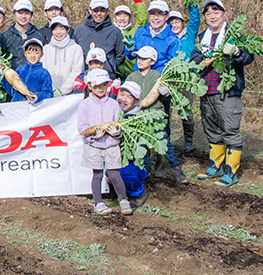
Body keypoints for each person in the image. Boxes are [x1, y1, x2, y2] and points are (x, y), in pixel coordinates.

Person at [191, 0, 255, 187]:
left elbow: (249, 56)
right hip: (206, 89)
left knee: (230, 130)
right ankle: (215, 165)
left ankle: (231, 172)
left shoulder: (234, 35)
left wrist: (235, 52)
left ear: (224, 14)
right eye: (208, 13)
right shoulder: (203, 36)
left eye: (216, 11)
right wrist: (204, 57)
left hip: (227, 92)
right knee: (211, 129)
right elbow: (195, 57)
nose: (212, 15)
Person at [125, 46, 188, 183]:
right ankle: (146, 172)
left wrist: (166, 93)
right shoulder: (132, 77)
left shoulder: (157, 76)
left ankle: (176, 170)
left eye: (143, 58)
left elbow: (166, 99)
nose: (139, 61)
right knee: (141, 145)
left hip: (155, 116)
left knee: (164, 143)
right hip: (138, 116)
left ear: (152, 61)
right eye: (138, 58)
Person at [77, 68, 132, 216]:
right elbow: (82, 128)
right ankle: (98, 203)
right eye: (96, 86)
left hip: (111, 145)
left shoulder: (113, 104)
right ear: (90, 86)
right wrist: (92, 136)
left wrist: (117, 133)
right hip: (93, 146)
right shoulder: (85, 105)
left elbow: (119, 124)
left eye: (104, 85)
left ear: (108, 85)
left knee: (114, 174)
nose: (100, 89)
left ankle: (123, 200)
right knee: (97, 175)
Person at [168, 6, 201, 153]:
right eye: (171, 22)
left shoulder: (189, 35)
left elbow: (195, 19)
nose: (174, 25)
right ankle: (166, 141)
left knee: (186, 111)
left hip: (186, 78)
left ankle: (188, 142)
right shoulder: (167, 37)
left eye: (177, 22)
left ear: (182, 23)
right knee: (165, 111)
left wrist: (191, 2)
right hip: (169, 78)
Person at [115, 81, 150, 207]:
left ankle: (138, 192)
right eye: (122, 94)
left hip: (134, 162)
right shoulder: (111, 111)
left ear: (136, 101)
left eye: (129, 97)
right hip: (111, 157)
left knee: (124, 172)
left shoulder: (139, 119)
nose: (123, 99)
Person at [74, 0, 126, 79]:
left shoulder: (115, 31)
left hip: (108, 77)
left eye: (102, 10)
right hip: (85, 77)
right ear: (90, 10)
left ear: (108, 12)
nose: (98, 13)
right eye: (95, 10)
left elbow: (120, 55)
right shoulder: (80, 29)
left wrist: (110, 67)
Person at [127, 0, 181, 72]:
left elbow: (173, 66)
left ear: (167, 16)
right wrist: (130, 49)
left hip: (158, 79)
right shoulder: (140, 32)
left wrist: (158, 77)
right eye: (152, 13)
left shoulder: (173, 40)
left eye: (160, 14)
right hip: (139, 76)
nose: (156, 17)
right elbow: (131, 57)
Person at [41, 16, 84, 96]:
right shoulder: (46, 49)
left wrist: (63, 91)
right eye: (55, 29)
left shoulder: (76, 48)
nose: (58, 32)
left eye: (62, 29)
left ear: (68, 30)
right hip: (50, 95)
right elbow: (43, 71)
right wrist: (53, 90)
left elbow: (77, 71)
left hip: (70, 96)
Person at [1, 38, 53, 104]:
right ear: (25, 54)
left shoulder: (44, 73)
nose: (33, 56)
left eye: (37, 53)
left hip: (34, 108)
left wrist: (37, 96)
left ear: (42, 54)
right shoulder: (19, 70)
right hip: (17, 106)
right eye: (29, 53)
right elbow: (11, 91)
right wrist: (3, 76)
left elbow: (48, 93)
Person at [0, 0, 47, 70]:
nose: (23, 16)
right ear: (14, 14)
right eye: (20, 13)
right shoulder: (5, 37)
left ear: (31, 15)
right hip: (12, 79)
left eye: (27, 13)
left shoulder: (39, 36)